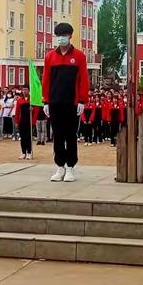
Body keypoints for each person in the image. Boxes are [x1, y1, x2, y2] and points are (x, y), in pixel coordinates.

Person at [42, 22, 89, 182]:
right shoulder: (50, 56)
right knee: (57, 135)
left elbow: (83, 79)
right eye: (59, 36)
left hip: (72, 103)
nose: (61, 38)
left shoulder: (79, 56)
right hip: (55, 102)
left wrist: (82, 100)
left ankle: (70, 167)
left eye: (64, 35)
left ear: (70, 36)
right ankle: (60, 167)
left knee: (71, 135)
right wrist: (46, 101)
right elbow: (46, 80)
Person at [15, 88, 32, 159]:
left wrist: (32, 110)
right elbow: (17, 112)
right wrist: (16, 122)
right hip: (22, 121)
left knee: (28, 137)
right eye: (23, 90)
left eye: (26, 90)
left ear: (29, 91)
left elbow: (35, 111)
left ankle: (29, 152)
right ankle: (23, 152)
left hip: (29, 121)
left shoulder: (32, 100)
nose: (24, 91)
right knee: (23, 138)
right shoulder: (19, 100)